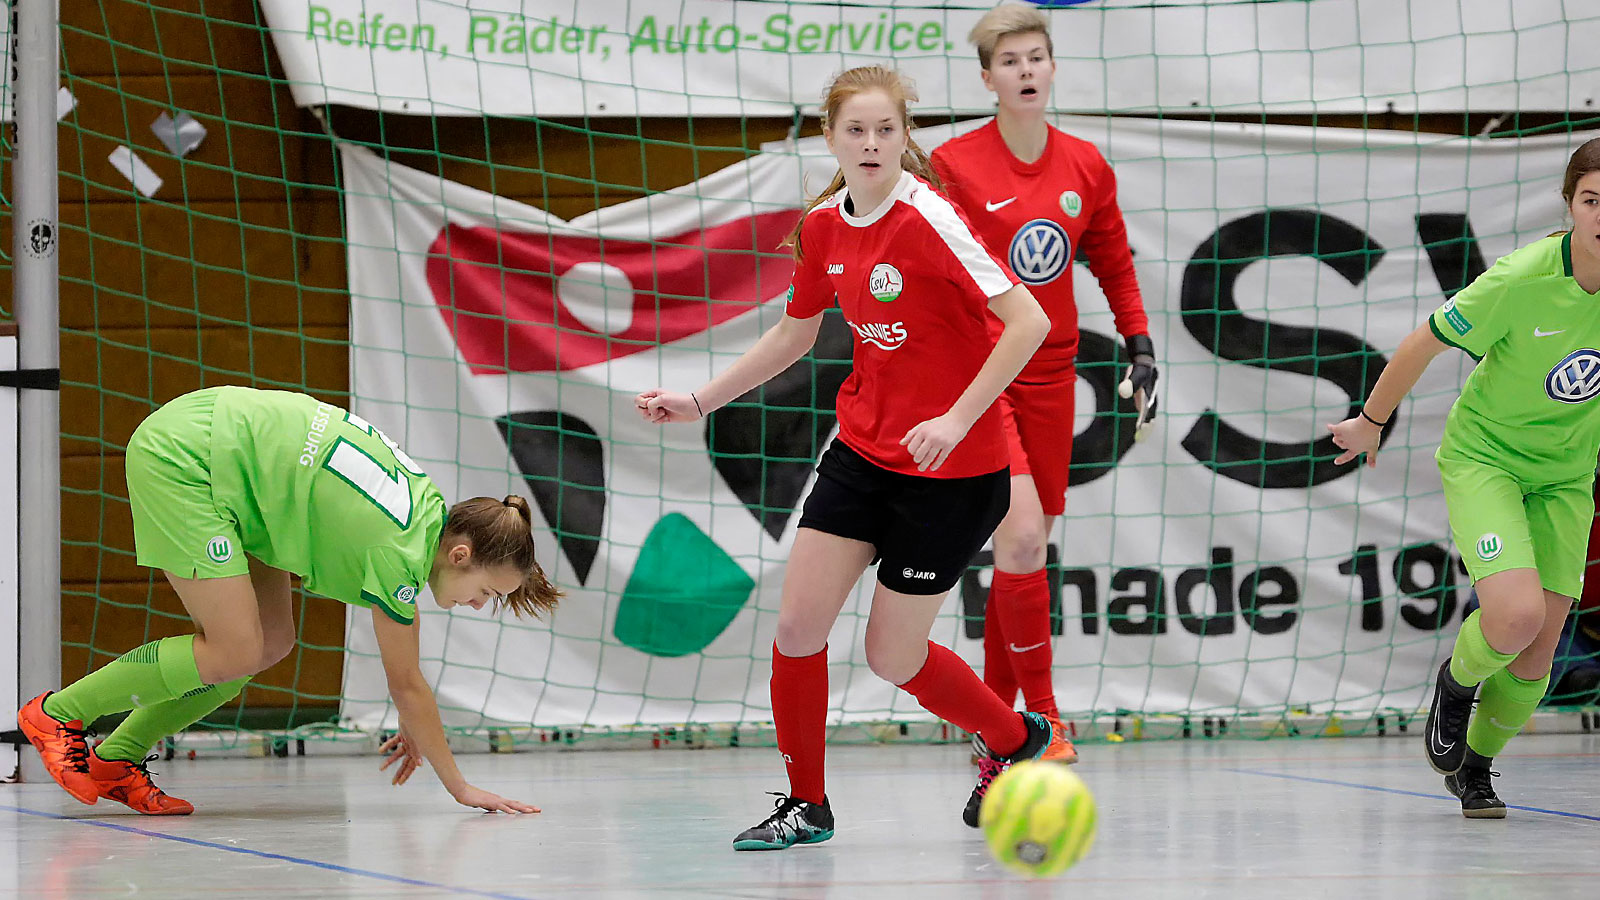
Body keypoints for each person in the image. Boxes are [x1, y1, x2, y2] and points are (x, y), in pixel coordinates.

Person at [637, 65, 1073, 849]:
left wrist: (955, 416)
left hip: (955, 470)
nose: (871, 144)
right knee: (798, 627)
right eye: (855, 131)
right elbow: (793, 334)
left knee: (890, 656)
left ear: (906, 138)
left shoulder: (931, 217)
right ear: (830, 137)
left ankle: (1013, 738)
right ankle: (807, 804)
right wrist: (698, 400)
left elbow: (1028, 322)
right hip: (865, 454)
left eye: (886, 131)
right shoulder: (822, 227)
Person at [17, 386, 559, 815]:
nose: (479, 605)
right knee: (233, 647)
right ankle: (57, 714)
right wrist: (460, 787)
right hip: (189, 459)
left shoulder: (427, 510)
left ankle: (117, 758)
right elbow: (408, 682)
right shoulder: (398, 549)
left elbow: (406, 685)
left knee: (268, 643)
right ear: (461, 555)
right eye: (488, 593)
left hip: (245, 480)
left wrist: (416, 720)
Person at [1329, 137, 1600, 818]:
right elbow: (1424, 340)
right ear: (1570, 204)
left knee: (1538, 655)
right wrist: (1370, 420)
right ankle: (1454, 684)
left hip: (1566, 476)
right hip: (1487, 458)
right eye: (1593, 200)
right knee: (1514, 616)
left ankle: (1476, 768)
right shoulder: (1522, 277)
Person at [930, 1, 1157, 726]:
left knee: (1023, 555)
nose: (1025, 70)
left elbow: (1115, 266)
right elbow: (936, 270)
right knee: (1022, 539)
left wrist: (1140, 344)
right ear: (987, 78)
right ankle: (1046, 720)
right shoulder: (953, 164)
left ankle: (996, 733)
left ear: (1052, 67)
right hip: (985, 374)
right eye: (1009, 61)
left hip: (1056, 379)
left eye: (1036, 57)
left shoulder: (1085, 165)